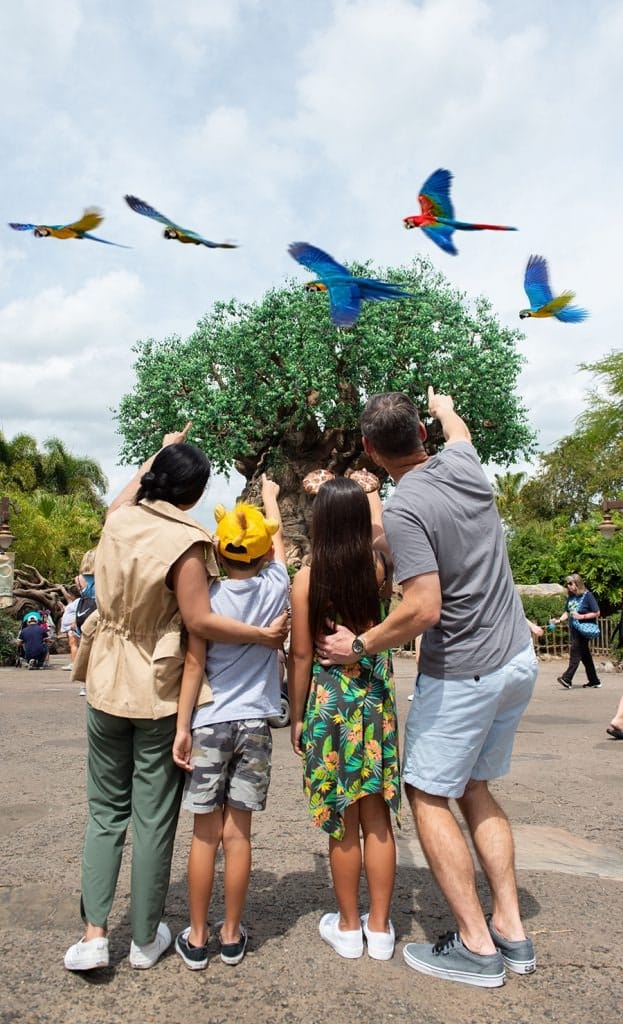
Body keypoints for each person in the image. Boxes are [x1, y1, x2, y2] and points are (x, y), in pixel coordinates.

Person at [318, 387, 537, 989]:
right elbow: (461, 426)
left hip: (465, 668)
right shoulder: (463, 460)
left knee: (426, 793)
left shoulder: (407, 503)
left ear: (367, 448)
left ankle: (474, 944)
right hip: (516, 656)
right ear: (422, 431)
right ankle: (511, 930)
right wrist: (442, 404)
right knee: (475, 787)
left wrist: (359, 645)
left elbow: (422, 609)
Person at [64, 424, 288, 974]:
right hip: (159, 688)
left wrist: (157, 454)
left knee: (103, 812)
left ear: (154, 478)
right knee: (154, 815)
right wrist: (262, 637)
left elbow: (125, 496)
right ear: (193, 496)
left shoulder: (118, 521)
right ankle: (144, 937)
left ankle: (94, 934)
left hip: (106, 677)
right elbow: (198, 620)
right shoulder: (187, 540)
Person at [172, 474, 289, 970]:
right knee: (238, 834)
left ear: (218, 554)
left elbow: (195, 665)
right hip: (256, 726)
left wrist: (181, 727)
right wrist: (269, 499)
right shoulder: (276, 585)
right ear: (261, 555)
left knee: (204, 833)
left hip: (209, 723)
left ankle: (196, 937)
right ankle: (232, 933)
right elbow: (278, 542)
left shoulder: (209, 601)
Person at [289, 475, 400, 962]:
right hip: (374, 701)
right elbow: (378, 530)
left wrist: (296, 715)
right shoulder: (378, 568)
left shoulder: (307, 579)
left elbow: (299, 656)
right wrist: (370, 490)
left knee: (343, 819)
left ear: (318, 522)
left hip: (329, 704)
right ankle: (379, 929)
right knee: (376, 815)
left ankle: (349, 927)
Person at [551, 574, 602, 689]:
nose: (568, 586)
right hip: (574, 630)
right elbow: (567, 612)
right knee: (585, 656)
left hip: (584, 630)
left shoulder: (587, 596)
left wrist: (581, 617)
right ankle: (594, 681)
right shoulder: (571, 597)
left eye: (570, 583)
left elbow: (597, 612)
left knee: (575, 652)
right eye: (567, 584)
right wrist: (558, 620)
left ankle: (567, 679)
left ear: (577, 583)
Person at [59, 597, 80, 670]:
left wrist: (74, 622)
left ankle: (75, 663)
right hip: (69, 627)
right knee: (72, 644)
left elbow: (79, 612)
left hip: (73, 626)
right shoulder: (73, 602)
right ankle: (74, 662)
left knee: (73, 644)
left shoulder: (79, 601)